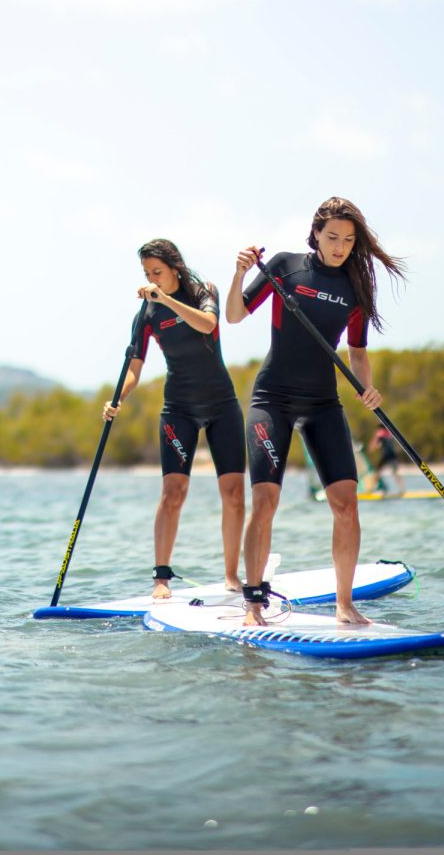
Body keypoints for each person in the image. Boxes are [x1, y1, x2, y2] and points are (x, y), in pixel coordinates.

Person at [225, 197, 407, 626]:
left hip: (324, 402)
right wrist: (240, 274)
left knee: (347, 503)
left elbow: (357, 351)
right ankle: (253, 604)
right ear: (316, 235)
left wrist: (368, 387)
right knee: (265, 500)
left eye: (348, 240)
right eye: (332, 238)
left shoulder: (355, 289)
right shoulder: (285, 268)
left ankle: (345, 605)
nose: (340, 247)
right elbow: (233, 316)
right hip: (273, 400)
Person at [103, 239, 247, 600]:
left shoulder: (203, 292)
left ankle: (232, 575)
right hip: (178, 408)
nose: (152, 279)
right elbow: (134, 369)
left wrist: (165, 298)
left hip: (221, 404)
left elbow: (207, 324)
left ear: (174, 269)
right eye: (147, 274)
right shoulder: (147, 315)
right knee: (173, 492)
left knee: (233, 492)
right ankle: (161, 579)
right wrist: (116, 398)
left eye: (157, 272)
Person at [369, 425, 405, 495]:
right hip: (393, 455)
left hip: (386, 455)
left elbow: (374, 446)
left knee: (377, 472)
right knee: (395, 473)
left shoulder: (380, 433)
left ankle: (371, 490)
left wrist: (372, 446)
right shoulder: (390, 433)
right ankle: (402, 489)